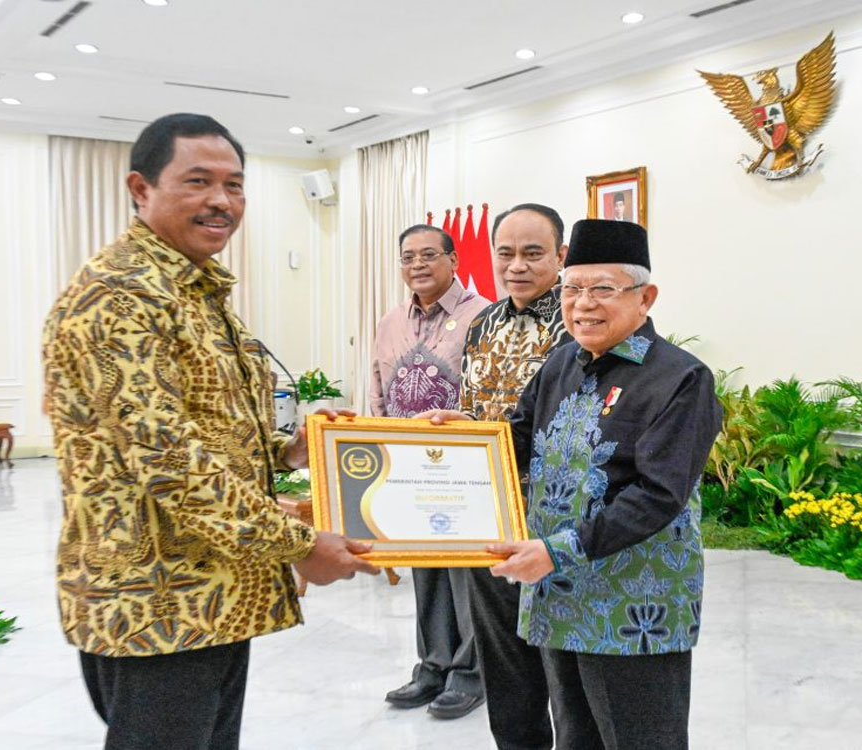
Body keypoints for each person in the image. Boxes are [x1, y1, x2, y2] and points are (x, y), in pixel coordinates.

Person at [42, 113, 378, 750]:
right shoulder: (120, 296)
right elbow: (172, 463)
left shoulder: (193, 290)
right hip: (154, 601)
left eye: (235, 185)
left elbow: (205, 430)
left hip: (211, 594)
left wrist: (291, 450)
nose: (222, 200)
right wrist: (299, 543)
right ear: (141, 188)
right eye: (198, 181)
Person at [425, 219, 722, 749]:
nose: (583, 304)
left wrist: (556, 552)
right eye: (572, 289)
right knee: (576, 736)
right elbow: (517, 437)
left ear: (645, 297)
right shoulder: (562, 362)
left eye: (603, 289)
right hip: (559, 594)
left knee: (640, 739)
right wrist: (468, 435)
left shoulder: (681, 378)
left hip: (633, 606)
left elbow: (660, 494)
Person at [456, 203, 570, 749]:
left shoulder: (580, 322)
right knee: (502, 654)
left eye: (532, 253)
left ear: (560, 256)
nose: (516, 265)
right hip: (489, 514)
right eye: (505, 253)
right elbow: (471, 408)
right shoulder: (482, 323)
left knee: (562, 659)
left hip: (555, 521)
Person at [371, 224, 491, 718]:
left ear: (453, 259)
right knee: (426, 567)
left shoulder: (484, 315)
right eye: (407, 257)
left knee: (466, 573)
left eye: (427, 255)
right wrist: (382, 451)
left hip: (464, 467)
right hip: (409, 466)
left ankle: (470, 674)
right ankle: (433, 666)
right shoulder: (390, 322)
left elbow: (489, 392)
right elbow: (378, 390)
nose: (417, 265)